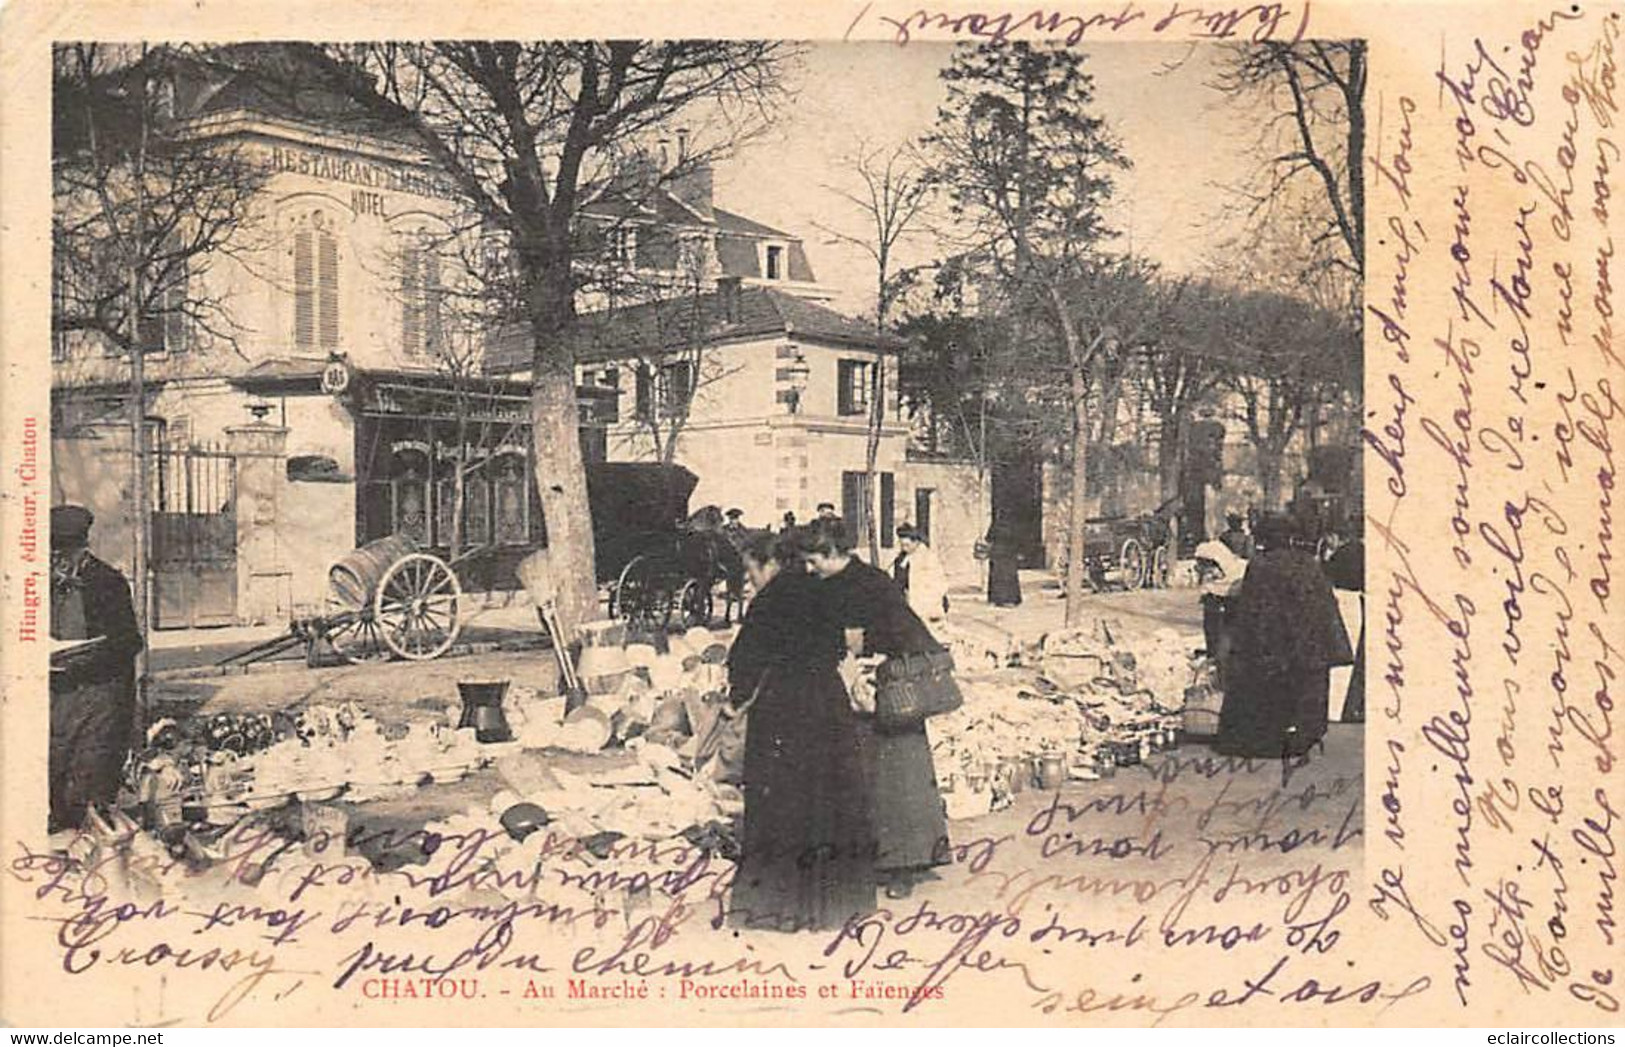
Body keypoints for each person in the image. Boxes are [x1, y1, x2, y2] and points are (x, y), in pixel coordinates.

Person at [725, 531, 875, 931]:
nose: (750, 580)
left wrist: (735, 698)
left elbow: (743, 660)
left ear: (766, 563)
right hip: (827, 706)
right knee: (829, 800)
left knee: (784, 804)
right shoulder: (823, 589)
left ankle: (779, 904)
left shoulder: (770, 600)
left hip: (784, 709)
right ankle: (838, 905)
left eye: (750, 571)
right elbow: (844, 645)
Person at [802, 517, 949, 899]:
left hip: (887, 690)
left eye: (813, 560)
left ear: (832, 553)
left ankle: (900, 865)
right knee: (894, 778)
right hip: (888, 686)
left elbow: (852, 642)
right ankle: (888, 858)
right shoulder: (866, 577)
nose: (809, 569)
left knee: (892, 781)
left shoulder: (851, 585)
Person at [1214, 513, 1353, 759]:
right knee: (1309, 689)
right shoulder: (1309, 563)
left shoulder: (1261, 565)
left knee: (1271, 687)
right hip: (1310, 641)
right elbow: (1324, 603)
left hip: (1276, 641)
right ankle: (1306, 735)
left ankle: (1268, 735)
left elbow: (1252, 608)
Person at [49, 505, 142, 833]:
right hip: (58, 696)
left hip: (100, 696)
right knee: (55, 771)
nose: (57, 565)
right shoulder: (40, 586)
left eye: (63, 556)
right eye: (51, 556)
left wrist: (81, 657)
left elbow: (129, 642)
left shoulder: (107, 582)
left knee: (89, 776)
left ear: (81, 551)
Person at [891, 522, 949, 624]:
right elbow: (898, 582)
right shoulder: (901, 559)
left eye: (907, 545)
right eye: (902, 545)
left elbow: (940, 583)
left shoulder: (928, 558)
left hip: (927, 603)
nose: (904, 548)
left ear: (916, 542)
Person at [985, 520, 1022, 607]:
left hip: (999, 552)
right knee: (1008, 576)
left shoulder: (996, 525)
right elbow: (1017, 539)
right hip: (1008, 553)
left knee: (998, 576)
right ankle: (1010, 598)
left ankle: (997, 598)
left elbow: (989, 538)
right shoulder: (1014, 525)